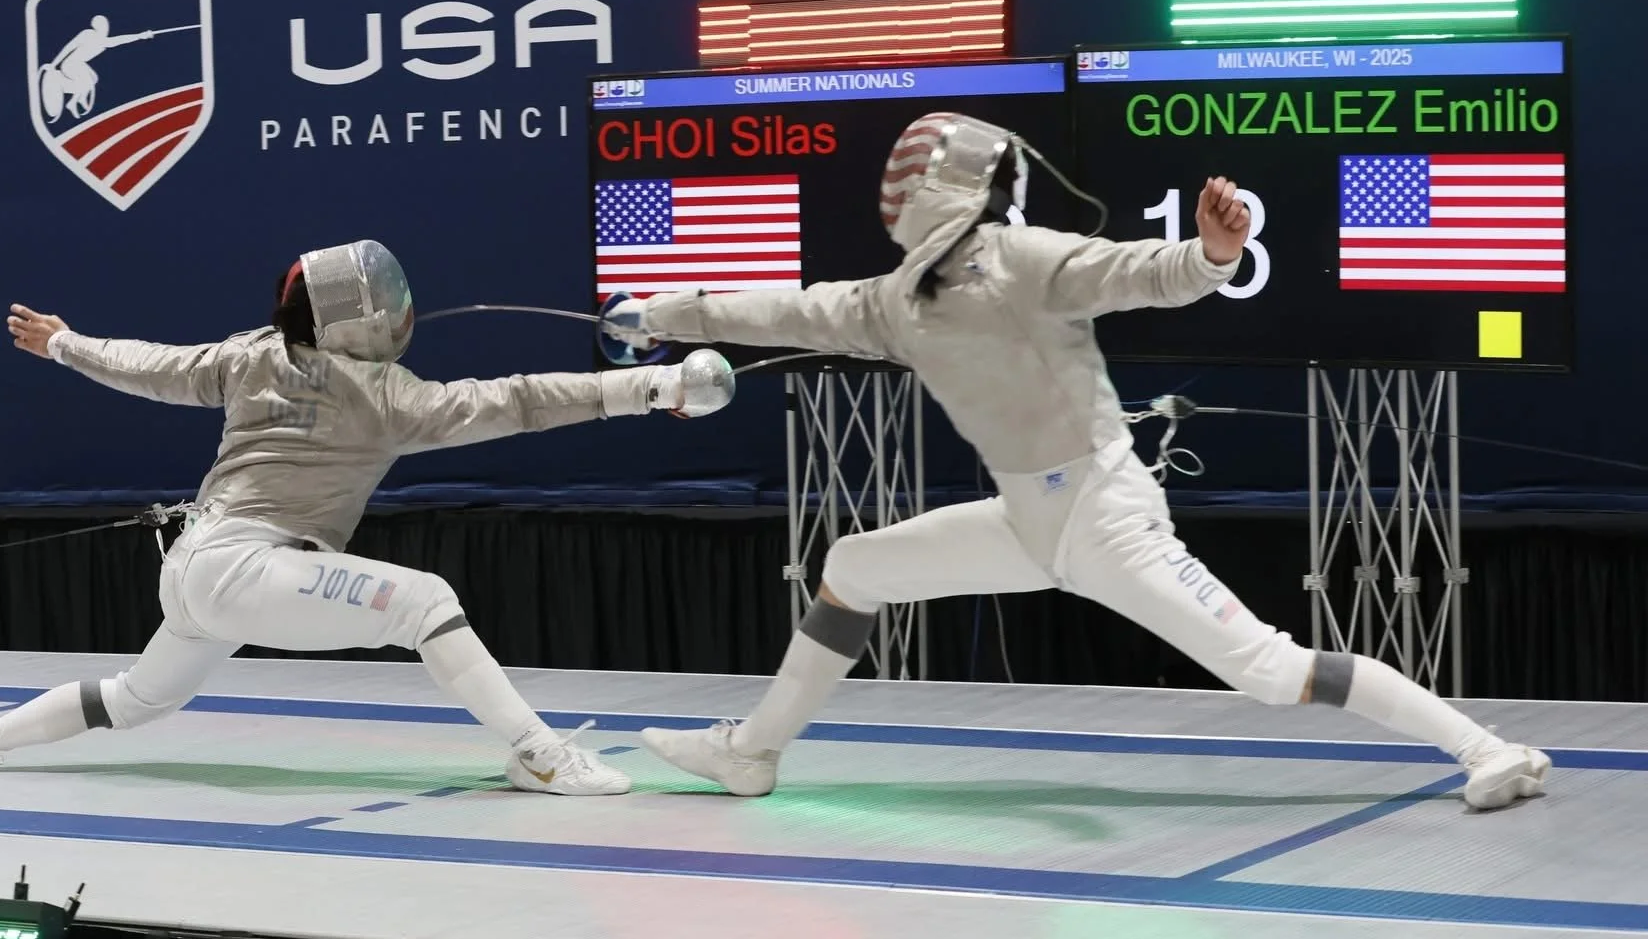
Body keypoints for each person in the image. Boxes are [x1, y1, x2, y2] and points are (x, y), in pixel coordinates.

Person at [603, 112, 1550, 811]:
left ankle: (1483, 746)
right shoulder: (892, 299)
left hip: (1106, 512)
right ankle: (752, 753)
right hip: (1025, 519)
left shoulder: (1024, 257)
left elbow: (1144, 271)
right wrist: (655, 315)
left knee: (1266, 667)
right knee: (852, 567)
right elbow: (774, 310)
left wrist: (1214, 254)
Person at [0, 239, 735, 795]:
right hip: (249, 567)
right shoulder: (389, 398)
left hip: (198, 567)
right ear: (361, 318)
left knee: (137, 698)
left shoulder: (251, 355)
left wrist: (67, 344)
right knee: (427, 602)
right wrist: (650, 390)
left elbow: (156, 369)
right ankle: (542, 756)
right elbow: (517, 402)